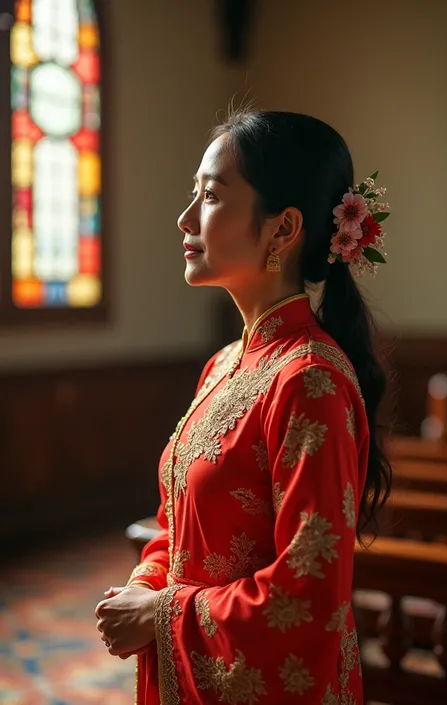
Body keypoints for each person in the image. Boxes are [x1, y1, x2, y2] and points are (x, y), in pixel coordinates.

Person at [95, 108, 392, 705]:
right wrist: (145, 582)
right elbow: (177, 522)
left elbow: (307, 598)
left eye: (208, 196)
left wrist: (161, 615)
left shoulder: (309, 380)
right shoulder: (226, 363)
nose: (184, 218)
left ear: (282, 229)